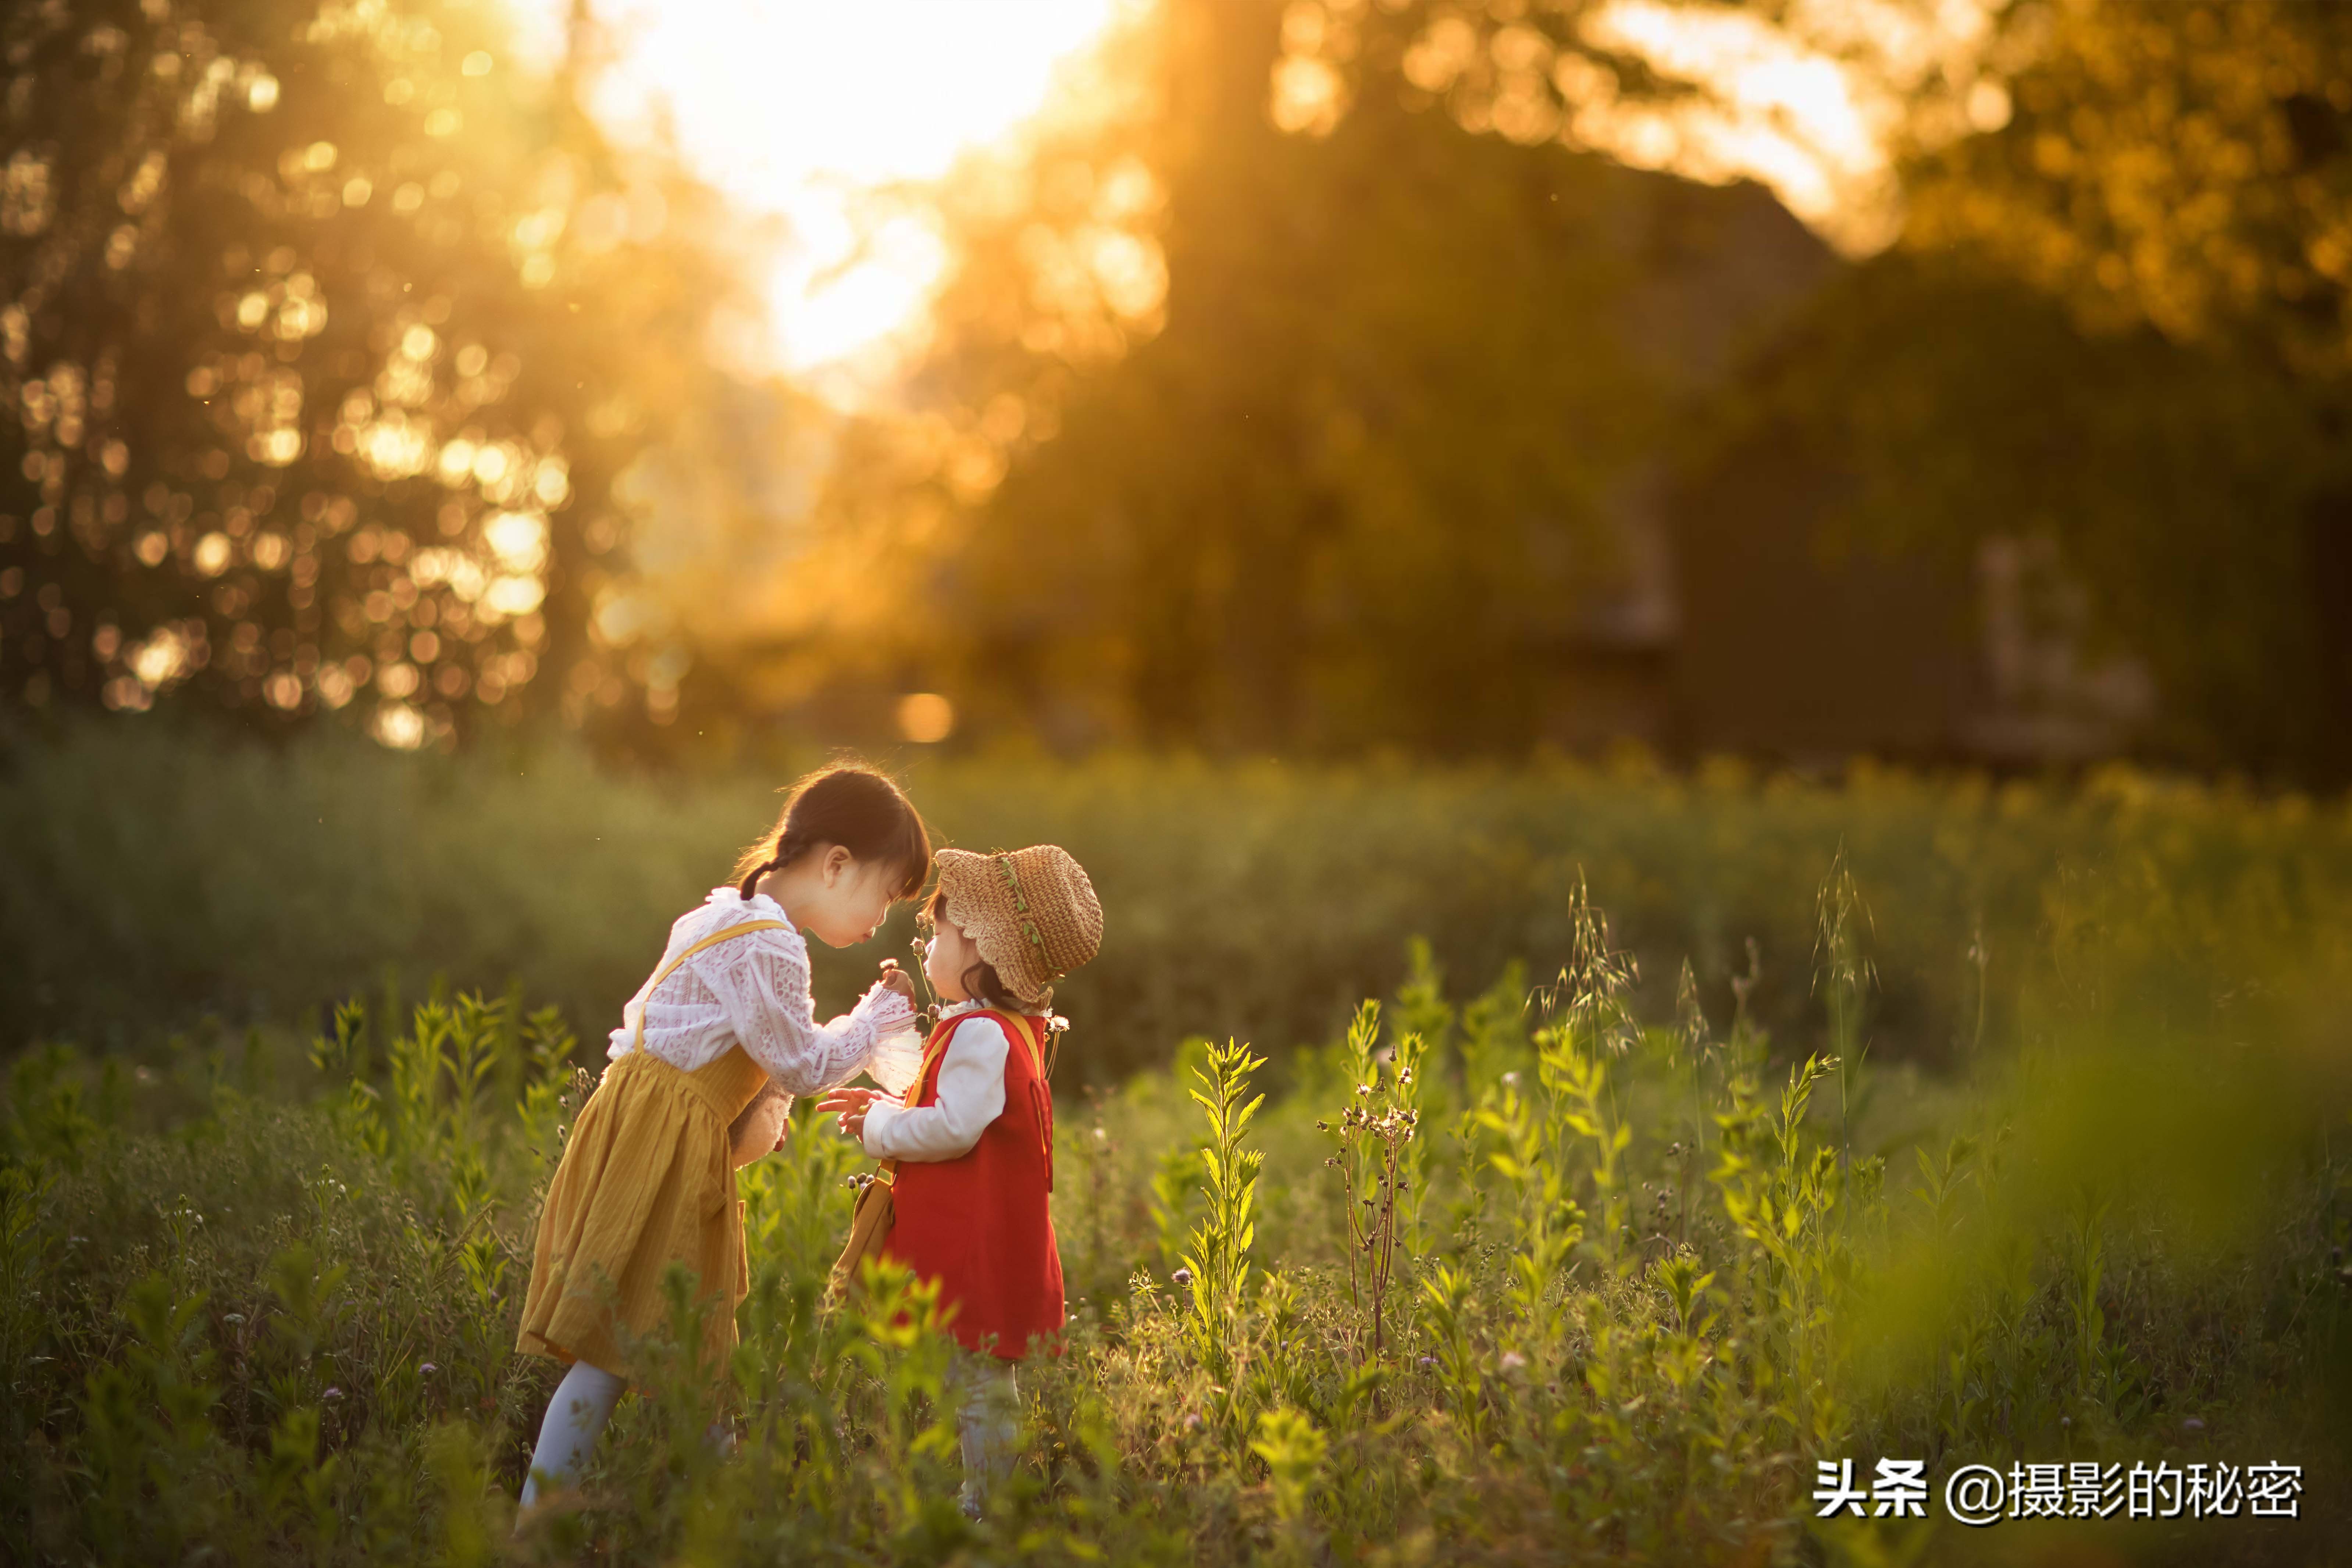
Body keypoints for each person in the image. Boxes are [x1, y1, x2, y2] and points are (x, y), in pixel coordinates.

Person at [513, 765, 931, 1515]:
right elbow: (802, 1063)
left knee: (683, 1333)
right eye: (887, 893)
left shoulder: (719, 914)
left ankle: (723, 1500)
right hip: (662, 1143)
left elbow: (687, 1037)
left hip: (647, 1126)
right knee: (618, 1344)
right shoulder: (769, 943)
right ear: (836, 863)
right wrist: (876, 1015)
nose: (883, 919)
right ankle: (542, 1519)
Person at [817, 844, 1102, 1519]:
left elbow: (952, 1129)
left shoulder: (982, 1033)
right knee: (977, 1373)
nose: (924, 947)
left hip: (973, 1240)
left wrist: (877, 1132)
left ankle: (987, 1505)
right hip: (993, 1229)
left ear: (984, 954)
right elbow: (946, 1103)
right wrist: (887, 1106)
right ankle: (986, 1494)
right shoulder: (1006, 1029)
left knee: (977, 1378)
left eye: (936, 933)